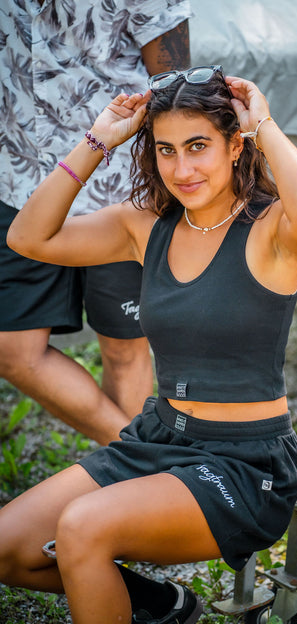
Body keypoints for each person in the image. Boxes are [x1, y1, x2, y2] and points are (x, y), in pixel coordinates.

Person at [0, 66, 297, 624]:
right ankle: (162, 608)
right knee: (9, 548)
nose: (181, 168)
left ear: (235, 146)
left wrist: (265, 125)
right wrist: (98, 139)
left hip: (245, 464)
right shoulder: (147, 228)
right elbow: (28, 237)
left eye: (198, 146)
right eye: (165, 150)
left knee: (83, 528)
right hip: (158, 440)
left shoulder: (272, 230)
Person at [0, 0, 191, 445]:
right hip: (17, 177)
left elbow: (174, 85)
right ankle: (144, 458)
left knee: (124, 349)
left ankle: (131, 493)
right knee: (12, 350)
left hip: (118, 186)